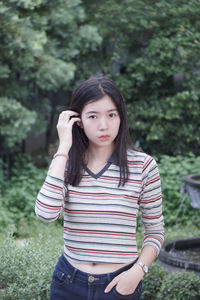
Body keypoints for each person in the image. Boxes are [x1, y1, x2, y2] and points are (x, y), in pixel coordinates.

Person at [35, 76, 164, 300]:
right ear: (78, 120)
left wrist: (137, 272)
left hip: (120, 284)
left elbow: (155, 232)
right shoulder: (65, 164)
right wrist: (64, 146)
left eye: (111, 115)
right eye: (93, 116)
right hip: (68, 283)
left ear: (121, 117)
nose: (103, 125)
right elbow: (46, 214)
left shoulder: (143, 166)